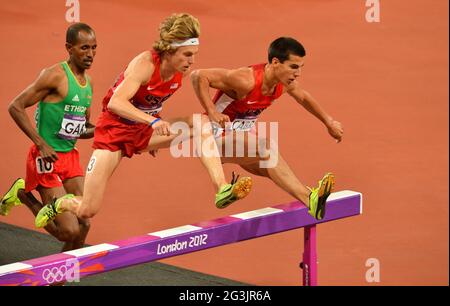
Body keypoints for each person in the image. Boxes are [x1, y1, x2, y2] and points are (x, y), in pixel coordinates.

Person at [34, 13, 252, 228]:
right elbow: (116, 103)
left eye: (194, 54)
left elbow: (153, 99)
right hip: (114, 132)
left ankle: (221, 188)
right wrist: (153, 122)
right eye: (186, 54)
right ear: (170, 50)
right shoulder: (145, 64)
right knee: (88, 209)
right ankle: (61, 203)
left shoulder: (180, 71)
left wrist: (154, 123)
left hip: (144, 130)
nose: (192, 61)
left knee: (200, 122)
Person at [190, 37, 344, 220]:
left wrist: (329, 122)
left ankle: (310, 200)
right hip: (212, 142)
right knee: (266, 148)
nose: (298, 73)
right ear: (276, 62)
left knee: (271, 167)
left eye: (301, 67)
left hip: (237, 141)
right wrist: (212, 111)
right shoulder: (245, 80)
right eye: (294, 67)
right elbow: (198, 76)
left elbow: (303, 97)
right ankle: (223, 188)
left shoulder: (283, 84)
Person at [1, 23, 97, 250]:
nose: (90, 54)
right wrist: (40, 143)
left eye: (94, 48)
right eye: (84, 48)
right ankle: (25, 195)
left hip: (69, 158)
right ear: (69, 48)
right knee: (68, 231)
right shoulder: (54, 76)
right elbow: (15, 106)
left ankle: (58, 281)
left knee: (85, 222)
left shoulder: (88, 83)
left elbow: (80, 129)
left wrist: (105, 129)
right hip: (45, 159)